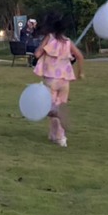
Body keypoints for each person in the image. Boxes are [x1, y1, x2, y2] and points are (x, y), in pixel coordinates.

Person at [33, 13, 85, 148]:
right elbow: (79, 56)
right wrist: (81, 72)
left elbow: (37, 53)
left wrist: (45, 51)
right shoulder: (68, 42)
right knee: (59, 107)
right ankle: (53, 134)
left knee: (53, 110)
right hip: (64, 81)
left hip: (51, 80)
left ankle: (61, 137)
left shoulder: (48, 39)